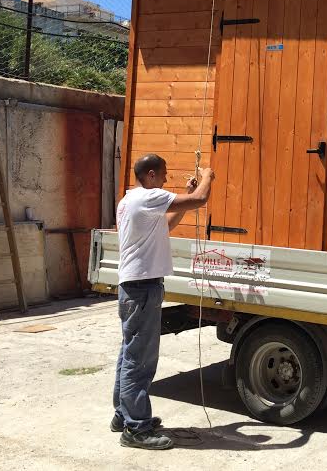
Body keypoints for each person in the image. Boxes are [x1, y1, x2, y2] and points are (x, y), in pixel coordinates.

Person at [111, 153, 214, 450]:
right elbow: (200, 200)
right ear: (151, 175)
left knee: (130, 355)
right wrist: (207, 176)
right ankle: (136, 429)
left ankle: (124, 415)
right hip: (142, 288)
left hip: (135, 288)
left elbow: (166, 225)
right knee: (140, 361)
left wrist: (188, 194)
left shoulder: (130, 200)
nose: (167, 178)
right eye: (165, 173)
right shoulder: (147, 197)